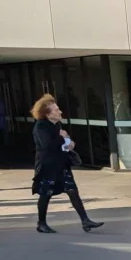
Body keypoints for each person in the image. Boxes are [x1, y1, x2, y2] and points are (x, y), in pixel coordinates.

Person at [30, 94, 103, 234]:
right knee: (46, 194)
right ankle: (41, 223)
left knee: (72, 190)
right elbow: (47, 146)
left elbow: (60, 142)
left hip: (61, 164)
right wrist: (61, 137)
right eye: (56, 110)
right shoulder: (41, 126)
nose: (60, 112)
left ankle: (85, 220)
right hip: (48, 167)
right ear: (47, 113)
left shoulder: (56, 124)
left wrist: (69, 143)